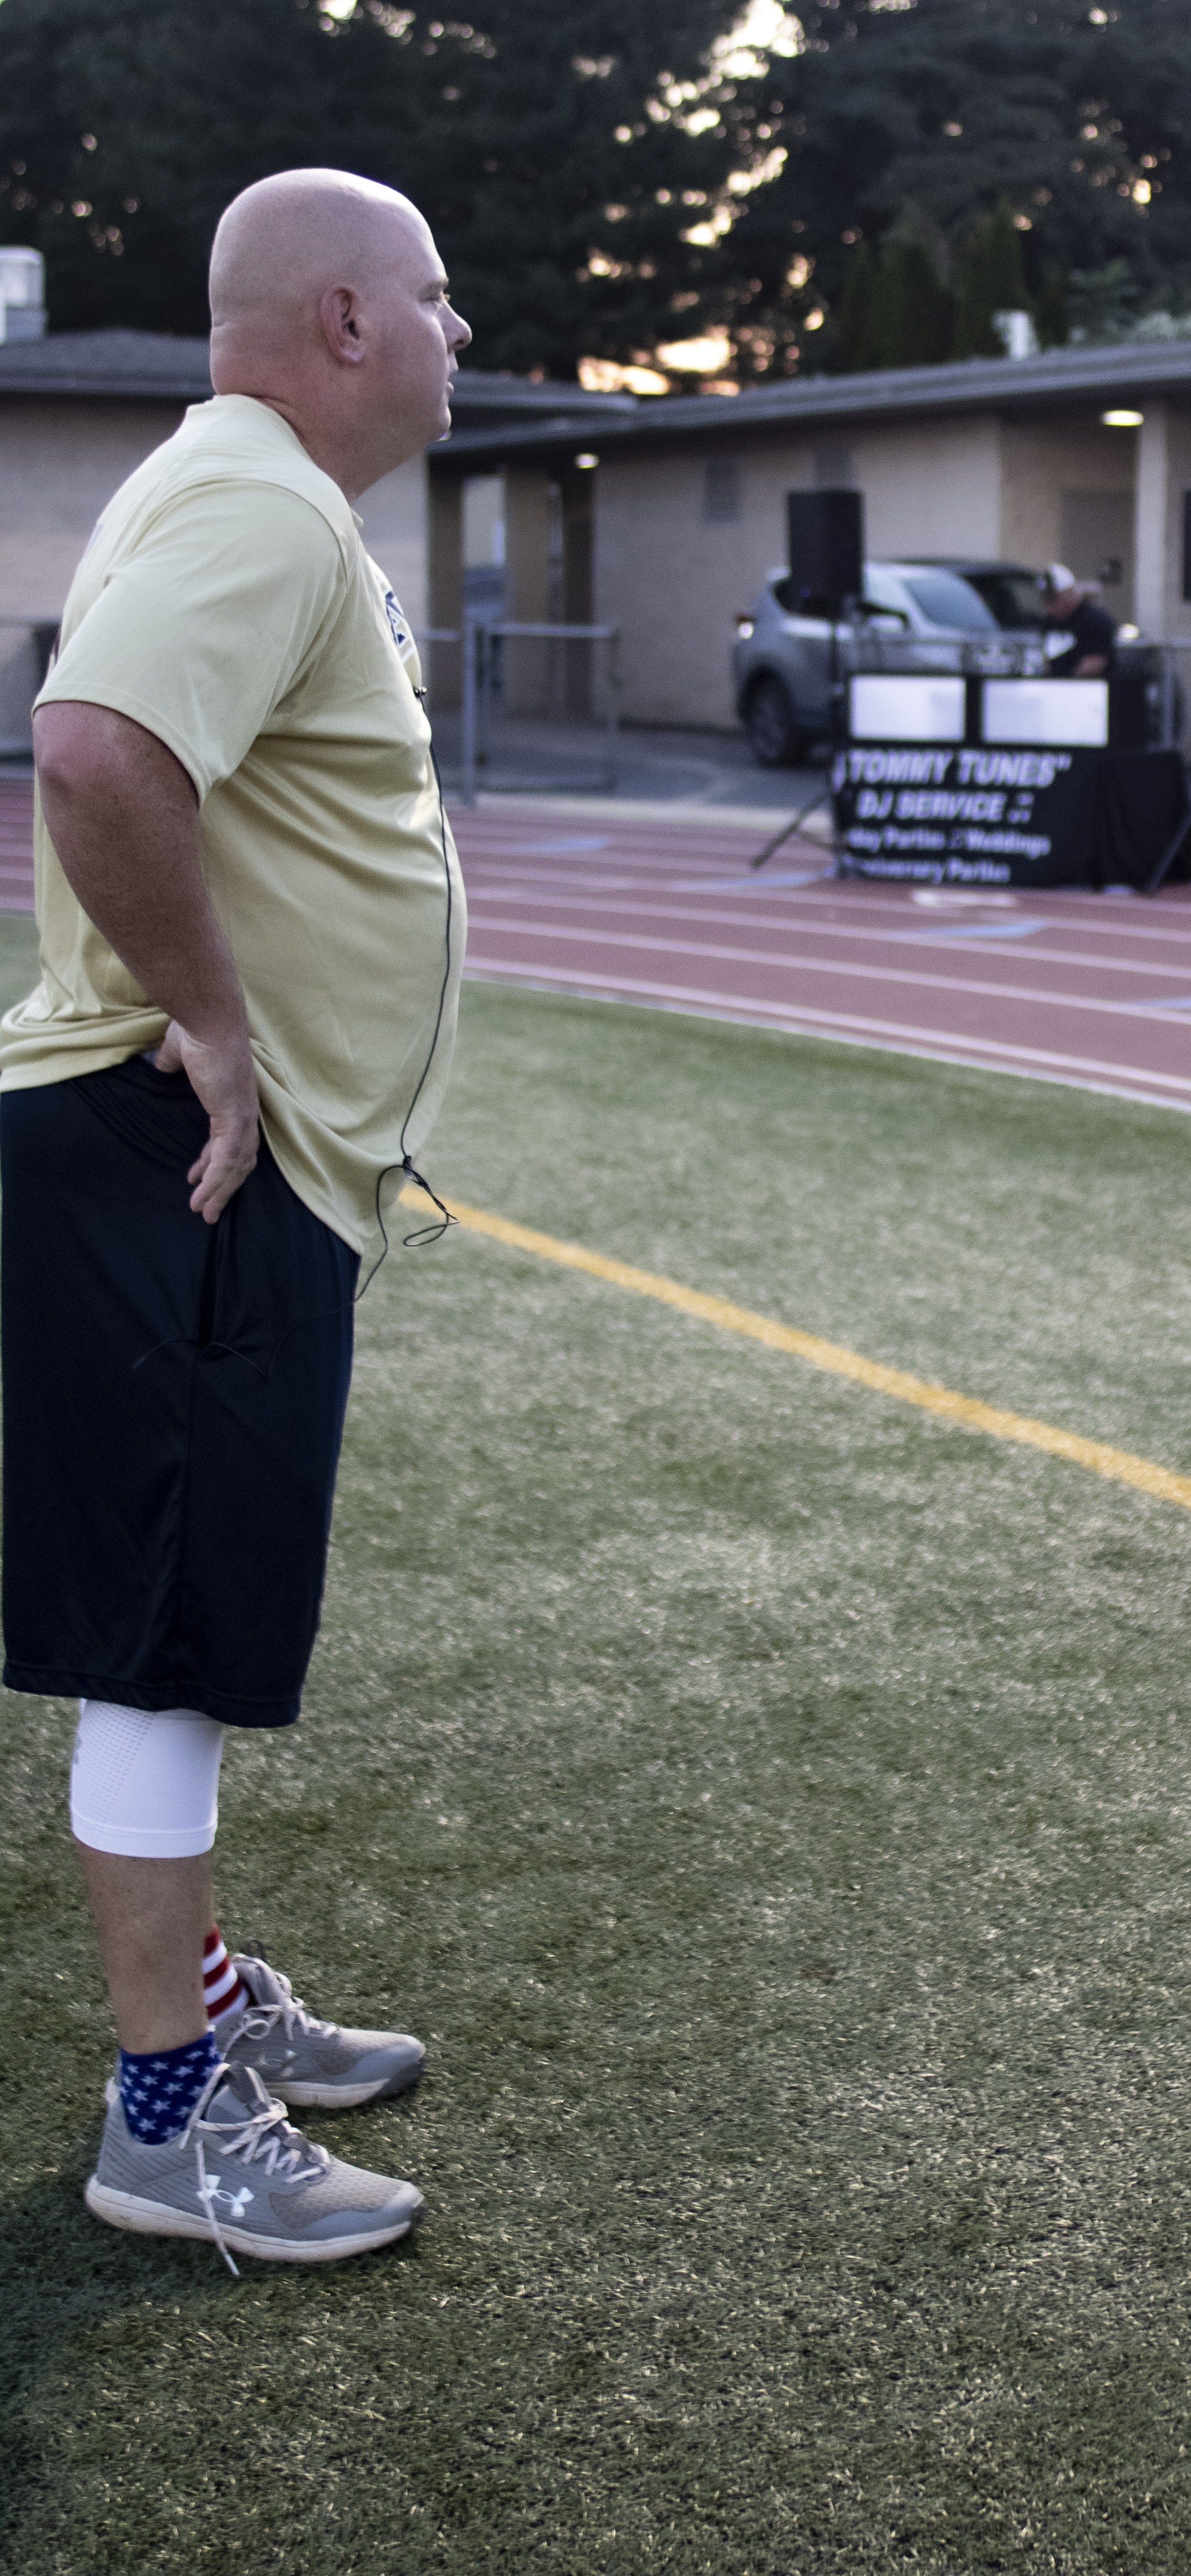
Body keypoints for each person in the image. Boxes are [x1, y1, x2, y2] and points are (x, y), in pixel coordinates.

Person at [0, 167, 470, 2256]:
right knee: (165, 1652)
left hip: (188, 1157)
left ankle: (194, 2008)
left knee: (172, 1635)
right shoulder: (262, 504)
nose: (466, 333)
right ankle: (164, 2120)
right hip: (171, 1148)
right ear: (350, 321)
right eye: (443, 301)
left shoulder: (246, 493)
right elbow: (95, 748)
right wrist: (209, 1017)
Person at [1040, 563, 1116, 677]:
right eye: (1045, 599)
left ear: (1070, 593)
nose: (1049, 606)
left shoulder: (1096, 621)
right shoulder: (1051, 622)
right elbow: (1047, 661)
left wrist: (1067, 685)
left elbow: (1094, 664)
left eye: (1052, 599)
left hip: (1088, 690)